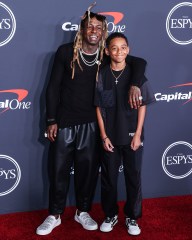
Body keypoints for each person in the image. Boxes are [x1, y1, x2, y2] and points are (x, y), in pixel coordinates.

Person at [36, 3, 147, 236]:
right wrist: (51, 120)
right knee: (58, 170)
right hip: (64, 119)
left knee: (87, 171)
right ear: (82, 30)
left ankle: (82, 211)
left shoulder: (106, 55)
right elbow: (53, 88)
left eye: (98, 27)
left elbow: (138, 62)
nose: (94, 30)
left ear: (103, 32)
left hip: (92, 122)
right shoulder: (66, 52)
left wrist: (135, 83)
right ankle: (54, 214)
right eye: (90, 26)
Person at [95, 32, 155, 236]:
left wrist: (138, 134)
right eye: (114, 47)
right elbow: (98, 108)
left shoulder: (137, 75)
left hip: (132, 137)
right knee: (109, 179)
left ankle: (132, 217)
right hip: (110, 138)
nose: (118, 51)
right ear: (107, 51)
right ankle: (110, 215)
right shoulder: (101, 75)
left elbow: (143, 106)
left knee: (133, 177)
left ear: (128, 50)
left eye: (123, 47)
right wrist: (103, 136)